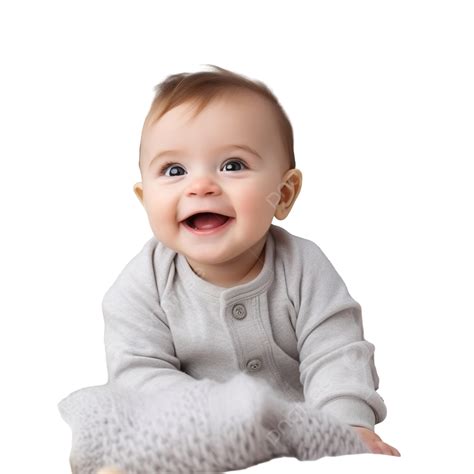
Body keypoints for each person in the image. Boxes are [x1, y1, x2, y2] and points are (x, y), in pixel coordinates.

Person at [103, 64, 400, 458]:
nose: (201, 186)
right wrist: (218, 414)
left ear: (284, 193)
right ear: (145, 199)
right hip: (196, 440)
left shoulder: (303, 266)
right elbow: (137, 375)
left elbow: (336, 350)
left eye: (233, 165)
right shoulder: (144, 284)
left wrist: (345, 425)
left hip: (299, 442)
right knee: (105, 435)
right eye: (174, 170)